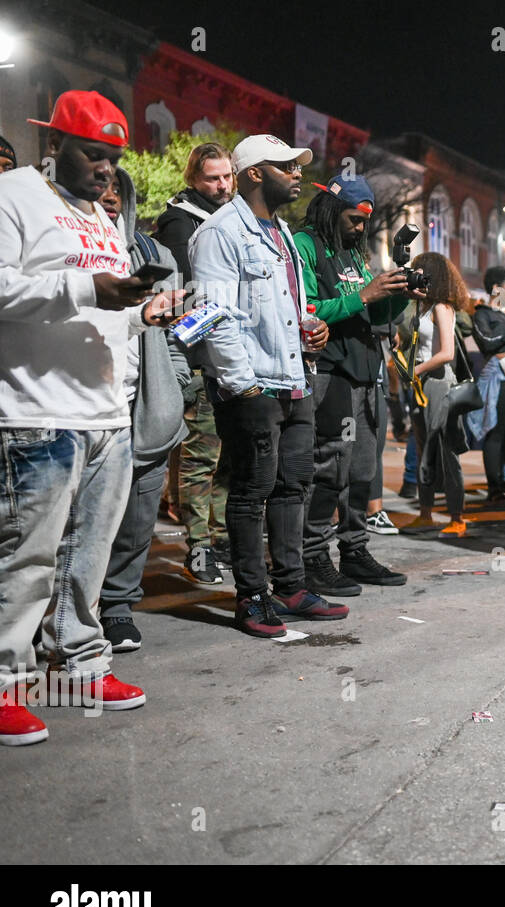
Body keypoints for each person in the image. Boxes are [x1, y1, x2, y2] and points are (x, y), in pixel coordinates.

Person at [0, 90, 184, 743]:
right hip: (38, 412)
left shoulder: (99, 218)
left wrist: (144, 314)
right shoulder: (14, 194)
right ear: (54, 146)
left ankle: (79, 663)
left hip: (105, 413)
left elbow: (108, 309)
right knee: (28, 558)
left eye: (112, 158)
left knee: (89, 556)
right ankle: (5, 683)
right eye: (92, 155)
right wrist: (90, 287)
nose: (105, 170)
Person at [190, 133, 347, 638]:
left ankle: (291, 585)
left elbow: (287, 308)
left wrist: (313, 326)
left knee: (292, 486)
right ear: (254, 172)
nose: (298, 174)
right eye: (286, 166)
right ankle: (251, 596)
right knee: (251, 489)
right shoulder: (221, 232)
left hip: (295, 378)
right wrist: (244, 387)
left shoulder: (281, 233)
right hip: (252, 385)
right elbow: (214, 316)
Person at [293, 173, 412, 594]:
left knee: (362, 468)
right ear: (330, 209)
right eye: (353, 219)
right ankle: (313, 556)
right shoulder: (304, 245)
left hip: (365, 372)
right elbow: (305, 309)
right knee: (330, 469)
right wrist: (364, 295)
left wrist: (398, 294)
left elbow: (376, 316)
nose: (361, 228)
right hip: (329, 373)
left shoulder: (354, 254)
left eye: (365, 221)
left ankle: (355, 550)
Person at [96, 166, 190, 654]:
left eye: (120, 189)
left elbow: (176, 331)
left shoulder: (156, 256)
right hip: (89, 405)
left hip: (146, 404)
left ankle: (116, 608)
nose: (111, 196)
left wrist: (177, 384)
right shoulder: (68, 250)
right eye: (103, 186)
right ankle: (74, 614)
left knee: (137, 518)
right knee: (83, 521)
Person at [153, 142, 235, 585]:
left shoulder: (232, 216)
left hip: (230, 358)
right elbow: (188, 293)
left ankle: (219, 539)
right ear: (194, 180)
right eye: (212, 179)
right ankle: (199, 546)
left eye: (226, 176)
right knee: (201, 455)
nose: (222, 185)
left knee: (226, 455)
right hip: (201, 358)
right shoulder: (180, 220)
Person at [400, 252, 474, 538]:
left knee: (447, 453)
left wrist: (415, 370)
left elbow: (447, 353)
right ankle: (426, 513)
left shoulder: (442, 307)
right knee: (424, 452)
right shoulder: (420, 307)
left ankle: (457, 517)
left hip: (439, 384)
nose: (415, 274)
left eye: (419, 270)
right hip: (420, 383)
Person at [468, 265, 505, 502]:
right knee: (496, 432)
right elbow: (488, 343)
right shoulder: (482, 314)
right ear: (497, 288)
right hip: (497, 378)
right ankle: (495, 485)